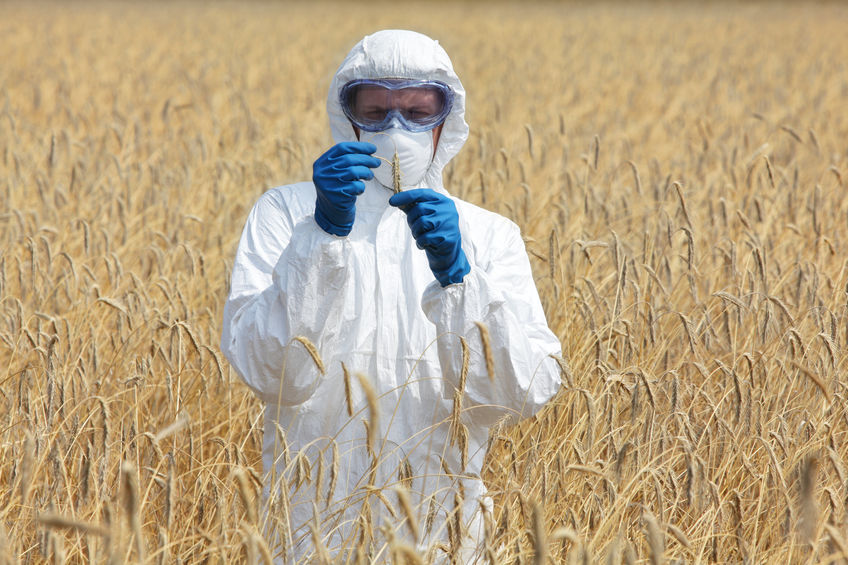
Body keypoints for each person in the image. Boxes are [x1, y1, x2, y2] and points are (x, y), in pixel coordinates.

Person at [221, 29, 562, 563]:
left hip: (443, 533)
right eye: (376, 110)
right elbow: (274, 373)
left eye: (419, 110)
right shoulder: (286, 214)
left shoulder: (489, 234)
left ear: (446, 121)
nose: (396, 129)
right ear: (347, 115)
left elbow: (518, 393)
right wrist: (321, 235)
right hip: (310, 530)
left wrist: (459, 278)